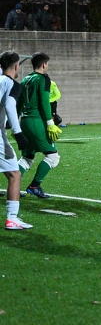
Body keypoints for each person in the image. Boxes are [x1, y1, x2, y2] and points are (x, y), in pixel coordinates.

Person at [17, 52, 63, 199]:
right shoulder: (44, 79)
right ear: (44, 64)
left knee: (27, 157)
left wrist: (15, 125)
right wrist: (50, 123)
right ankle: (34, 186)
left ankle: (14, 187)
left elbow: (18, 103)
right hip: (37, 122)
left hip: (24, 121)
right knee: (52, 157)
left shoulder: (26, 79)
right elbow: (44, 102)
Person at [0, 51, 32, 229]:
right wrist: (18, 134)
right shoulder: (12, 84)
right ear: (17, 66)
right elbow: (10, 106)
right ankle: (12, 218)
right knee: (14, 174)